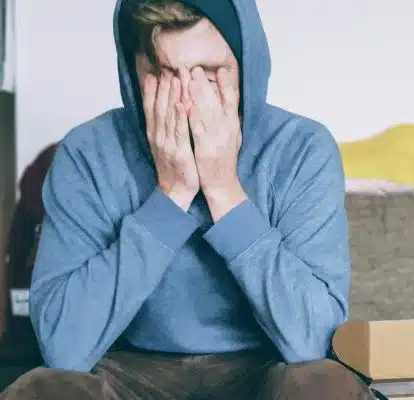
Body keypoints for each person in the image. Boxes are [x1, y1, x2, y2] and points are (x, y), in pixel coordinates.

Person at [1, 0, 373, 398]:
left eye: (210, 73)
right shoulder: (87, 152)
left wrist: (224, 191)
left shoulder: (302, 149)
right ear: (134, 71)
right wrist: (171, 195)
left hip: (264, 367)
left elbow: (315, 342)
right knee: (44, 391)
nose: (185, 101)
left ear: (247, 67)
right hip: (128, 370)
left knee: (325, 385)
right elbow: (63, 347)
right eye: (163, 74)